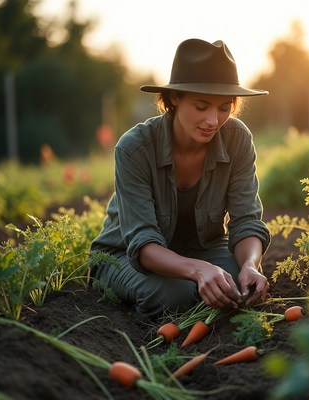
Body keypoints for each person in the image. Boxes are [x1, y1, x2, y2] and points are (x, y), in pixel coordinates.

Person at [90, 38, 271, 318]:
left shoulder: (237, 139)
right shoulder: (134, 148)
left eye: (224, 107)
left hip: (203, 248)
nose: (213, 120)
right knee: (172, 296)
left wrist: (249, 265)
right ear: (175, 98)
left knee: (238, 285)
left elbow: (246, 221)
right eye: (202, 106)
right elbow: (143, 244)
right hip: (126, 255)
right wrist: (199, 270)